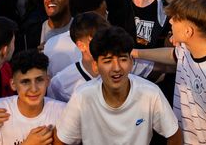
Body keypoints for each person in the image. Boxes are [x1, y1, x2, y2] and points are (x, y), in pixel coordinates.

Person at [132, 0, 206, 145]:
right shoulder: (201, 39)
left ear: (188, 32)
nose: (170, 22)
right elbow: (175, 56)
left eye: (174, 19)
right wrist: (135, 53)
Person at [53, 26, 181, 145]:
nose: (117, 68)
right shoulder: (82, 97)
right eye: (108, 61)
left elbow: (174, 135)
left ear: (131, 63)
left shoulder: (150, 93)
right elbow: (61, 139)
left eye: (123, 59)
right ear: (95, 66)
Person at [0, 49, 66, 145]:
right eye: (25, 82)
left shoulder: (63, 112)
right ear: (13, 84)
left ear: (47, 81)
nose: (34, 89)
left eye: (39, 80)